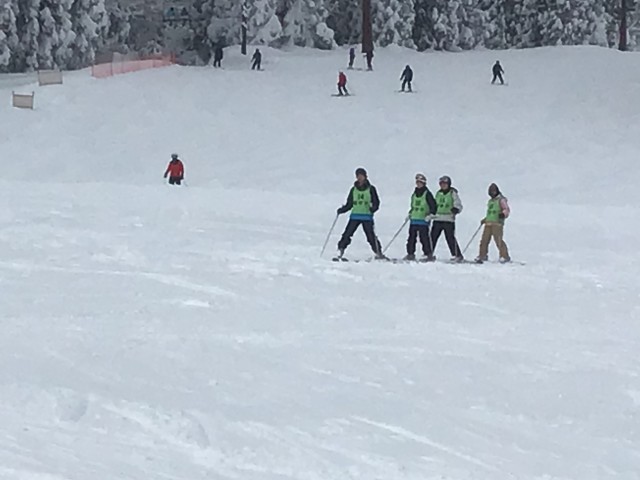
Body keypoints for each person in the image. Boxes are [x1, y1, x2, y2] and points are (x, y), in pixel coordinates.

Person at [336, 168, 385, 259]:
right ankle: (340, 250)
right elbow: (350, 204)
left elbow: (376, 202)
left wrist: (373, 209)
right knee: (347, 234)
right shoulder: (353, 189)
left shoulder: (371, 189)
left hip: (367, 216)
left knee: (371, 236)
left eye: (361, 176)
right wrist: (342, 210)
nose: (359, 178)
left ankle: (378, 252)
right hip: (355, 216)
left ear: (365, 176)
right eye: (358, 176)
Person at [430, 175, 464, 261]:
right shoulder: (438, 193)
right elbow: (435, 204)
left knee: (450, 238)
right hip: (438, 218)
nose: (443, 185)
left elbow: (458, 204)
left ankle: (457, 255)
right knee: (432, 237)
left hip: (448, 219)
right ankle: (429, 253)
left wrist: (456, 209)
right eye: (441, 184)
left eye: (445, 184)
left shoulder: (452, 193)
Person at [404, 173, 437, 261]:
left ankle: (428, 254)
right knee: (411, 238)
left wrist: (431, 215)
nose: (418, 184)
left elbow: (433, 205)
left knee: (424, 238)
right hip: (414, 220)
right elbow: (413, 206)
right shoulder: (414, 194)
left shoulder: (427, 194)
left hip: (423, 220)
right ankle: (410, 253)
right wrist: (410, 213)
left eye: (420, 182)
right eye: (417, 182)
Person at [475, 183, 511, 263]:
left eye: (494, 191)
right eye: (491, 192)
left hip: (497, 223)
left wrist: (503, 214)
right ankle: (482, 255)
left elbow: (506, 209)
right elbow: (490, 213)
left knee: (498, 240)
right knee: (484, 240)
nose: (493, 193)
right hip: (488, 223)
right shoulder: (490, 201)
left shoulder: (501, 200)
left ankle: (504, 256)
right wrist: (485, 219)